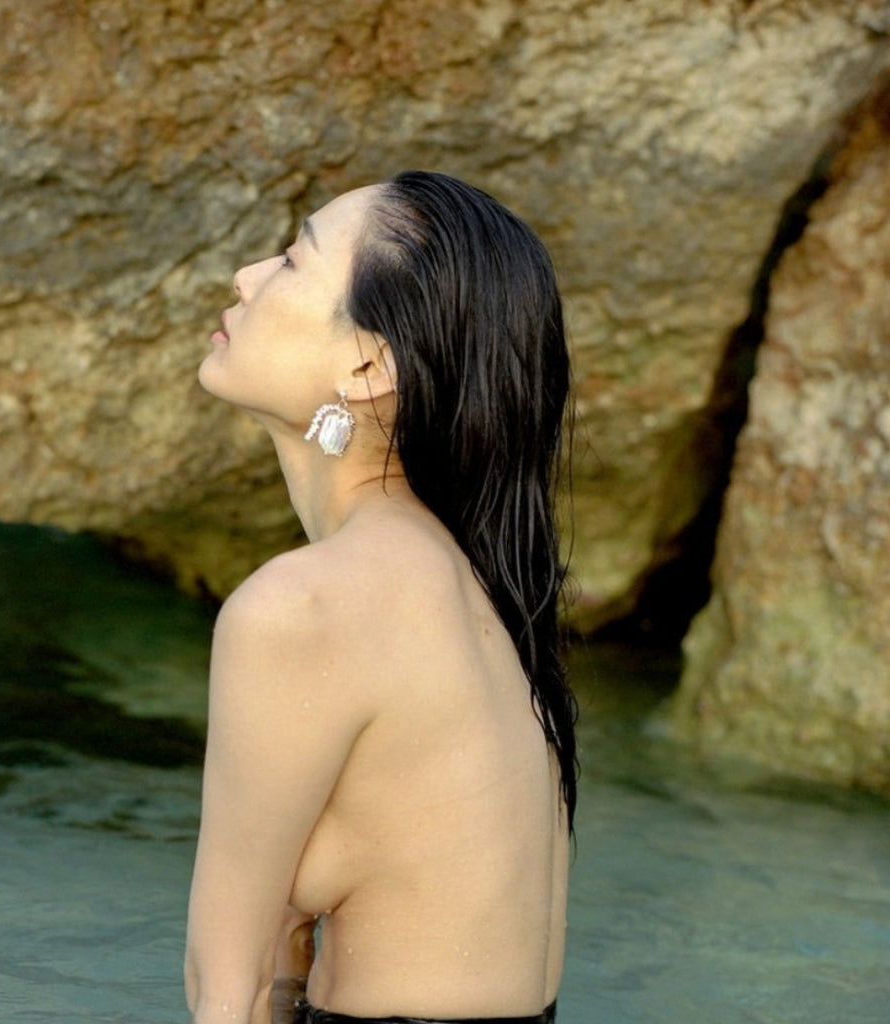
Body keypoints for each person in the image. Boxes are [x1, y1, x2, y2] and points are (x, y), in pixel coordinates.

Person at [186, 171, 578, 1024]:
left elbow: (232, 991)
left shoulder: (303, 610)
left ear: (368, 365)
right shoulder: (479, 600)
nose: (246, 277)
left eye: (293, 260)